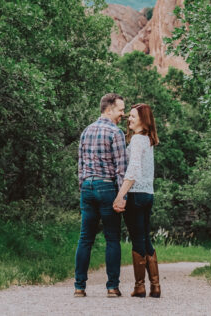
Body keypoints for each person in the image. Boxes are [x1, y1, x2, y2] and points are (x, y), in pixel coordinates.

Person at [73, 92, 128, 298]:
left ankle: (79, 286)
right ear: (109, 108)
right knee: (112, 238)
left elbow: (80, 165)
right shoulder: (116, 133)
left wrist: (84, 187)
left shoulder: (86, 131)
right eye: (121, 110)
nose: (122, 114)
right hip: (107, 187)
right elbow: (121, 169)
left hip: (87, 187)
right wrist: (122, 196)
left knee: (85, 238)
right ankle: (112, 287)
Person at [112, 103, 161, 298]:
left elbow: (133, 170)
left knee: (137, 239)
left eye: (133, 116)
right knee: (145, 237)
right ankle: (155, 286)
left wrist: (120, 194)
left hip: (135, 195)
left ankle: (140, 286)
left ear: (143, 119)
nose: (129, 119)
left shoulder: (138, 140)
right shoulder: (148, 140)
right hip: (148, 194)